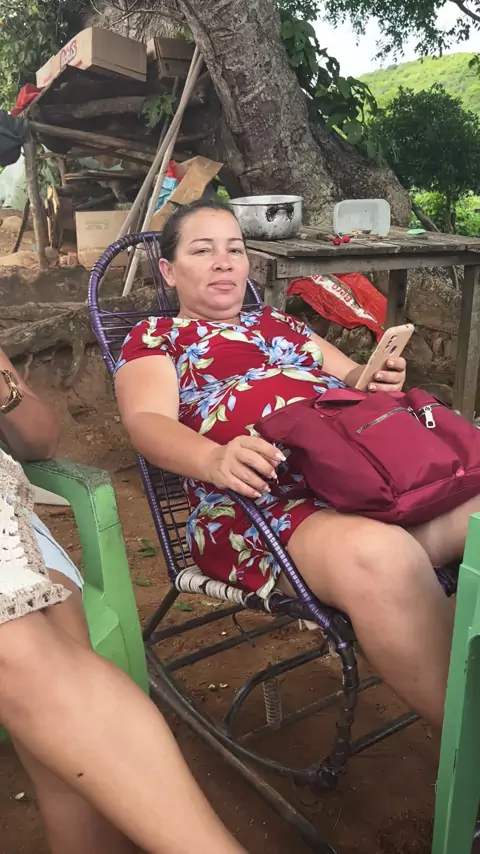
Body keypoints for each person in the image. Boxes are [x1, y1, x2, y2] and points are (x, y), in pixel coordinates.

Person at [114, 198, 477, 735]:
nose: (223, 261)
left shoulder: (279, 323)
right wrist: (213, 458)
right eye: (203, 250)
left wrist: (377, 378)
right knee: (383, 556)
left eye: (234, 249)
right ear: (169, 271)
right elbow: (146, 422)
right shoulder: (157, 338)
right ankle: (469, 747)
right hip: (257, 506)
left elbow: (353, 379)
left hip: (369, 485)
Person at [0, 347, 247, 854]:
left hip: (12, 525)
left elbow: (40, 443)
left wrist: (5, 393)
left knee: (65, 748)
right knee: (24, 656)